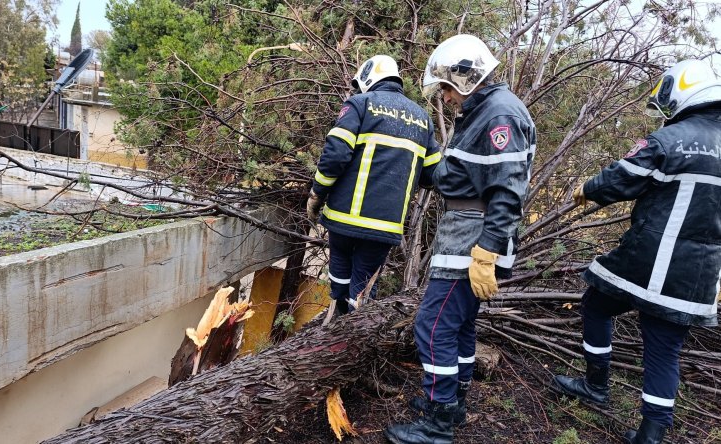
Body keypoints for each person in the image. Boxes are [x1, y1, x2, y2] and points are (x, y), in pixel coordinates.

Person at [553, 59, 721, 444]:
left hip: (649, 260)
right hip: (699, 275)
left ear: (681, 92)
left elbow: (620, 179)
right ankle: (651, 434)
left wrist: (587, 189)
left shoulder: (670, 139)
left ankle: (595, 386)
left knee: (596, 305)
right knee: (664, 350)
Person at [385, 35, 537, 444]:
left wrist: (486, 252)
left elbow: (508, 192)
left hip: (474, 239)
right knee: (461, 325)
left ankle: (438, 425)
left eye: (447, 88)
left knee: (432, 327)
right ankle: (453, 404)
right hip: (467, 235)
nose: (447, 98)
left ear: (465, 76)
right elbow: (459, 174)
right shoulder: (485, 110)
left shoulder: (499, 115)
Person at [307, 55, 442, 316]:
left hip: (343, 218)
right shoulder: (422, 119)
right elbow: (432, 175)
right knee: (362, 292)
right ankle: (352, 326)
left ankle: (338, 320)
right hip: (385, 226)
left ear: (368, 78)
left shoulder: (360, 104)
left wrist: (316, 195)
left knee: (340, 280)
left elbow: (335, 156)